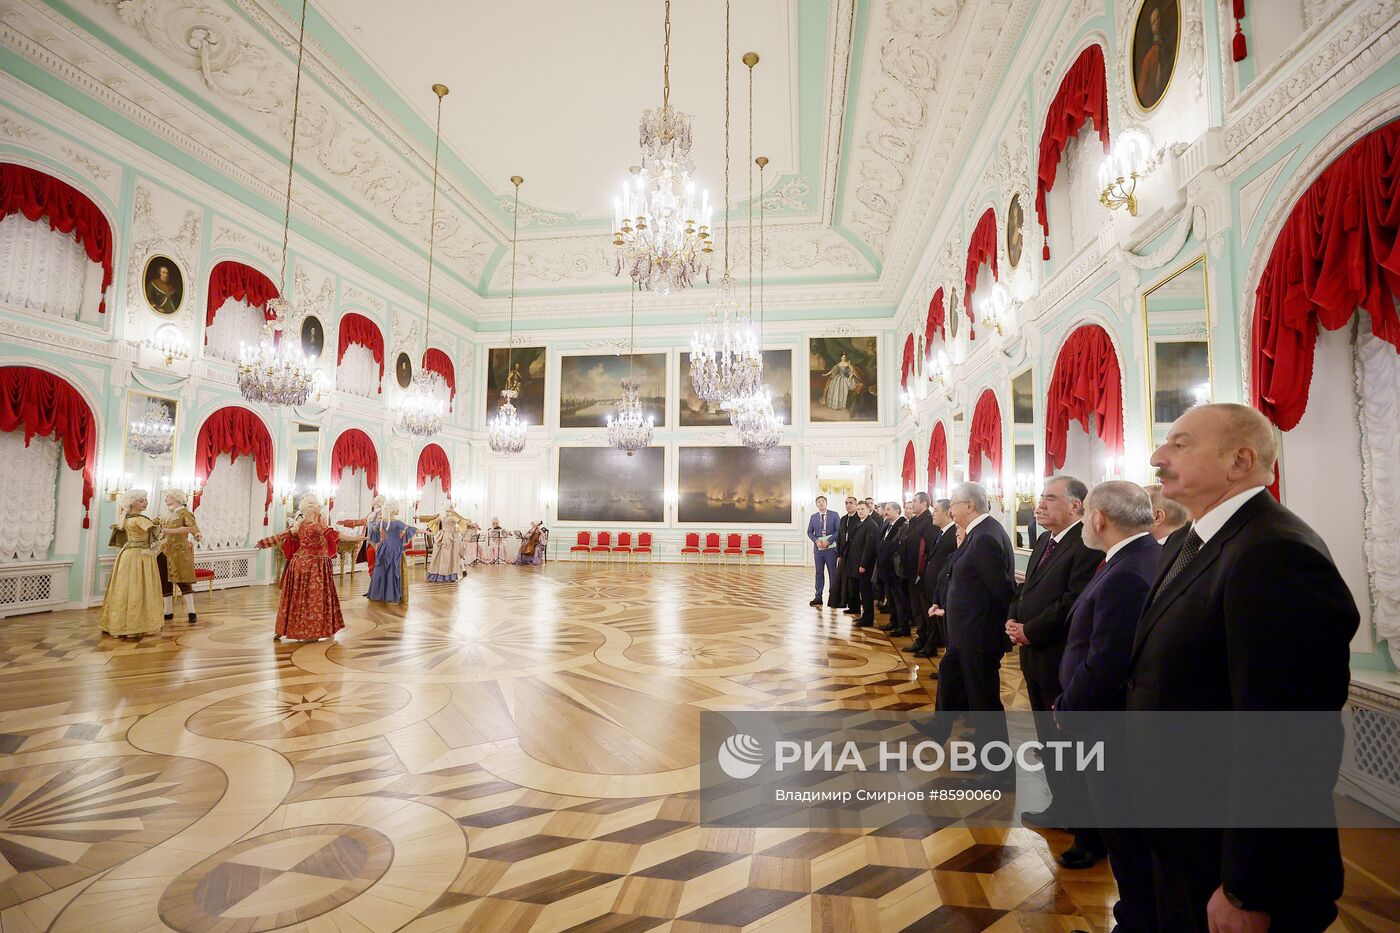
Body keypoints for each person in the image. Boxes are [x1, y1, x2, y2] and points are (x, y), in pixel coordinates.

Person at [1128, 403, 1359, 932]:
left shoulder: (1274, 552)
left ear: (1240, 461)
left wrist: (1247, 886)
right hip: (1184, 832)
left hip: (1234, 863)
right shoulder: (1191, 544)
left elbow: (1285, 739)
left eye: (1180, 444)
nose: (1157, 456)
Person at [1056, 481, 1160, 933]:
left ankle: (1134, 923)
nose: (1084, 524)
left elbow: (1107, 661)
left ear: (1098, 518)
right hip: (1112, 724)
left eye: (1085, 517)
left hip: (1108, 728)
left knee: (1125, 836)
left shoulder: (1127, 573)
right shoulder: (1134, 559)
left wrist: (1068, 704)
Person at [1004, 476, 1102, 864]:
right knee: (1049, 741)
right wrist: (1015, 620)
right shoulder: (1046, 539)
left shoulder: (1086, 544)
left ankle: (1086, 828)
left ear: (1076, 506)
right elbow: (1028, 589)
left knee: (1070, 747)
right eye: (1040, 497)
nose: (1038, 504)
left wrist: (1030, 629)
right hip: (1034, 656)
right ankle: (1060, 806)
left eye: (1049, 498)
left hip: (1061, 658)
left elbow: (1072, 602)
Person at [924, 482, 1016, 766]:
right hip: (966, 631)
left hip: (978, 634)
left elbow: (1000, 589)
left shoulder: (985, 536)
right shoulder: (978, 533)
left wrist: (1006, 625)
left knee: (984, 700)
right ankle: (940, 727)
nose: (949, 509)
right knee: (950, 671)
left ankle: (998, 764)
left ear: (970, 506)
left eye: (953, 504)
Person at [258, 493, 357, 642]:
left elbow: (280, 536)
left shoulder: (298, 525)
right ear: (312, 509)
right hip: (314, 565)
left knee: (295, 598)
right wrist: (358, 538)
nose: (320, 507)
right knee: (314, 598)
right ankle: (311, 632)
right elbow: (337, 535)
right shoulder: (315, 525)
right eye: (317, 505)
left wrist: (264, 542)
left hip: (297, 564)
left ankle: (284, 628)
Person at [100, 489, 164, 639]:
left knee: (125, 587)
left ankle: (119, 622)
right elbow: (157, 533)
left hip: (127, 554)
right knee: (139, 587)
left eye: (145, 500)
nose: (145, 503)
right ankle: (137, 624)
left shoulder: (127, 519)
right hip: (140, 556)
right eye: (141, 501)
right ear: (132, 503)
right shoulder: (140, 519)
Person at [912, 497, 958, 658]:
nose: (933, 514)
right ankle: (929, 645)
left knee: (940, 622)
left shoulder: (954, 534)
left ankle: (933, 647)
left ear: (947, 513)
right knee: (930, 617)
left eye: (936, 511)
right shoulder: (941, 532)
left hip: (942, 586)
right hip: (931, 582)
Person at [158, 488, 201, 624]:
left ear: (176, 498)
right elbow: (153, 526)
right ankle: (168, 611)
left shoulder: (185, 513)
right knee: (164, 581)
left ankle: (191, 611)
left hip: (179, 552)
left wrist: (197, 534)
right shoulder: (164, 515)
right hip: (163, 551)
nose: (166, 499)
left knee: (183, 581)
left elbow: (193, 528)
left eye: (168, 497)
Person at [366, 500, 416, 605]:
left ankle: (378, 594)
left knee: (381, 570)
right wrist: (424, 531)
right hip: (394, 548)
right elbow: (410, 529)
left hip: (384, 547)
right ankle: (391, 596)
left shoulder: (382, 521)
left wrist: (374, 542)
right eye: (397, 508)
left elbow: (372, 531)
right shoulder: (397, 523)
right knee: (393, 570)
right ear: (394, 510)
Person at [876, 502, 910, 636]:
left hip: (896, 569)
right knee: (891, 598)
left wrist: (885, 547)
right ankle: (894, 621)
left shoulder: (903, 526)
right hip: (887, 569)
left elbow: (897, 546)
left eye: (889, 509)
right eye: (885, 509)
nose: (885, 511)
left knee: (900, 600)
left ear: (897, 511)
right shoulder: (887, 525)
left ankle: (903, 626)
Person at [843, 501, 879, 627]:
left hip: (864, 566)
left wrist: (863, 565)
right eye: (858, 509)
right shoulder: (861, 523)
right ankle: (864, 616)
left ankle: (868, 619)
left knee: (866, 593)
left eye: (862, 509)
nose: (859, 511)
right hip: (856, 562)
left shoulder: (871, 525)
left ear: (869, 510)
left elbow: (869, 548)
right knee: (861, 591)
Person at [426, 501, 472, 582]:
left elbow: (432, 523)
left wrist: (436, 531)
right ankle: (447, 575)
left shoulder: (441, 516)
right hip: (450, 537)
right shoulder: (452, 517)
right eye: (451, 506)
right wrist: (469, 524)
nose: (452, 508)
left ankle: (436, 575)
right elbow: (461, 522)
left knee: (440, 557)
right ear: (447, 507)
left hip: (442, 535)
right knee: (448, 557)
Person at [807, 496, 840, 607]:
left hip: (830, 550)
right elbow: (810, 532)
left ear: (826, 503)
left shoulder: (834, 515)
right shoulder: (813, 517)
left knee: (832, 573)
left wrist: (829, 541)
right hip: (818, 550)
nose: (821, 503)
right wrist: (816, 541)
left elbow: (838, 531)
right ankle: (818, 597)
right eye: (819, 502)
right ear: (817, 504)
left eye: (823, 501)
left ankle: (834, 597)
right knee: (819, 573)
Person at [832, 496, 859, 609]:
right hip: (844, 553)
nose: (848, 505)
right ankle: (844, 603)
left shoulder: (859, 518)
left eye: (851, 503)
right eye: (846, 503)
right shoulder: (843, 518)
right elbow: (839, 537)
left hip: (855, 554)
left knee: (853, 582)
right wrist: (839, 554)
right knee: (843, 580)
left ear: (856, 505)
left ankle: (855, 606)